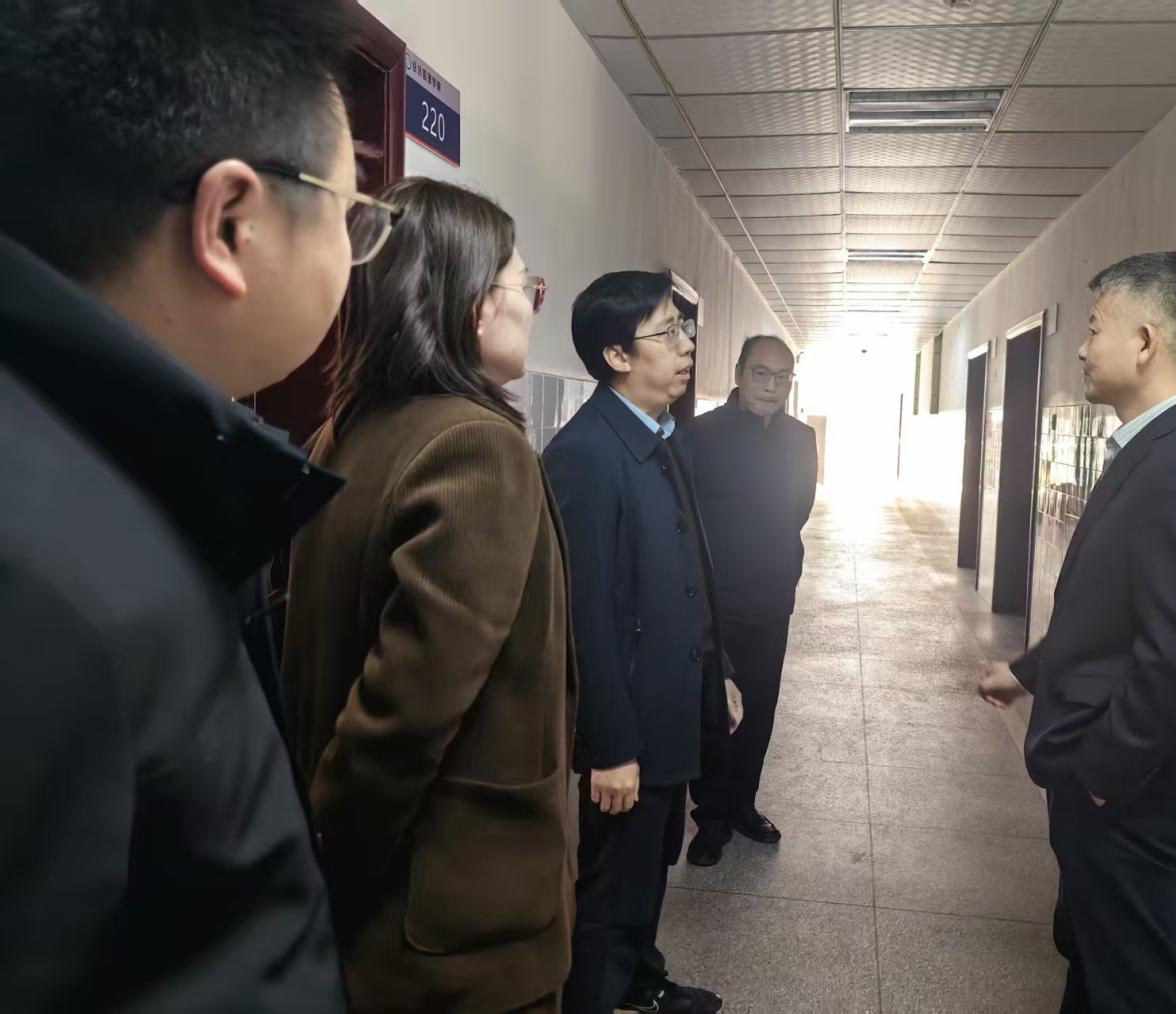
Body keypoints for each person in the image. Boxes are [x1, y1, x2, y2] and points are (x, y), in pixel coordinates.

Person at [0, 1, 360, 1009]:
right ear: (231, 221)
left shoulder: (113, 473)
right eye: (351, 215)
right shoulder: (45, 584)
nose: (355, 252)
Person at [977, 252, 1176, 1013]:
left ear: (1147, 342)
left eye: (1096, 328)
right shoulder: (1170, 441)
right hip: (1127, 767)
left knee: (1142, 984)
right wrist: (1033, 673)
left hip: (1133, 784)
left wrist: (1105, 771)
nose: (1082, 347)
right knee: (1108, 964)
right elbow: (1119, 613)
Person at [280, 179, 577, 1014]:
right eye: (526, 286)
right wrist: (336, 871)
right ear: (477, 305)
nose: (532, 309)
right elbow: (403, 714)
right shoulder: (477, 447)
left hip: (387, 918)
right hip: (451, 929)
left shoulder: (345, 433)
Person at [544, 270, 742, 1014]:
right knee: (613, 884)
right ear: (617, 355)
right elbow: (584, 614)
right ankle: (597, 994)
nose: (687, 344)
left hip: (672, 695)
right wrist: (612, 747)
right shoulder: (587, 454)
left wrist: (717, 673)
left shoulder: (662, 435)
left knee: (652, 859)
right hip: (629, 714)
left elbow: (692, 575)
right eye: (668, 331)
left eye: (684, 328)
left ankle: (639, 981)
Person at [684, 335, 818, 866]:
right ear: (739, 372)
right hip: (714, 602)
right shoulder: (701, 435)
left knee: (759, 708)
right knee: (715, 711)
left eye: (782, 377)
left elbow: (800, 509)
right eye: (761, 373)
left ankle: (742, 804)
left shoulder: (800, 439)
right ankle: (710, 818)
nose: (770, 386)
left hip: (771, 597)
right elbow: (690, 519)